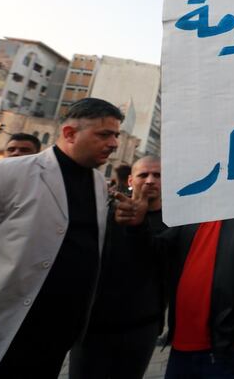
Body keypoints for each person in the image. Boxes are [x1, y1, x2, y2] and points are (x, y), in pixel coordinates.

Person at [0, 98, 123, 377]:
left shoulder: (100, 184)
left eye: (116, 135)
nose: (114, 143)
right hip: (9, 321)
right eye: (104, 134)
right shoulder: (7, 172)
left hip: (60, 331)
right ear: (69, 133)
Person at [117, 188, 234, 379]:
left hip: (231, 351)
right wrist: (138, 227)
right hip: (182, 349)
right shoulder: (192, 214)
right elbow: (156, 255)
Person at [69, 156, 165, 379]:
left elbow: (162, 259)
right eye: (143, 175)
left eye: (158, 175)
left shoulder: (174, 220)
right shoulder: (106, 214)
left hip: (142, 325)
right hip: (94, 326)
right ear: (131, 179)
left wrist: (139, 228)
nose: (150, 181)